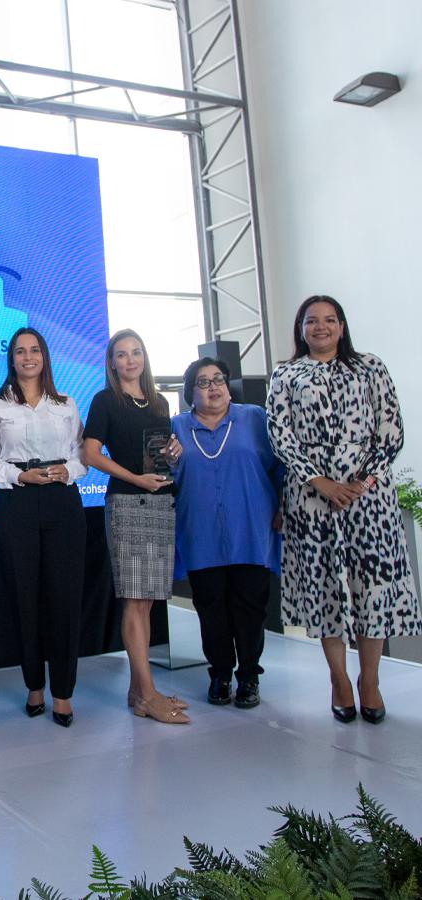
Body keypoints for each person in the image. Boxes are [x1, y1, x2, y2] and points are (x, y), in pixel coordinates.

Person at [266, 295, 421, 724]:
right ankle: (339, 679)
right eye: (312, 320)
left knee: (372, 588)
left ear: (342, 325)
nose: (321, 327)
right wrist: (322, 483)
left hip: (368, 496)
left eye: (329, 320)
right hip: (311, 497)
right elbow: (280, 435)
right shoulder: (286, 373)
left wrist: (359, 484)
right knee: (325, 589)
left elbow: (391, 432)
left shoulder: (370, 366)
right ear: (300, 328)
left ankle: (370, 679)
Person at [0, 327, 87, 727]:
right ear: (11, 359)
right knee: (25, 598)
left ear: (44, 356)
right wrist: (20, 477)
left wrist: (67, 471)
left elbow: (82, 455)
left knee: (64, 599)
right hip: (17, 500)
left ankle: (62, 693)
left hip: (62, 501)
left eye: (35, 350)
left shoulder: (66, 403)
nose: (28, 357)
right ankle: (34, 687)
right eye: (20, 351)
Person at [83, 328, 189, 724]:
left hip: (161, 502)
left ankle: (138, 688)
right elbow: (90, 454)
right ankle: (147, 695)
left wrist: (174, 455)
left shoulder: (160, 403)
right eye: (122, 354)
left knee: (147, 601)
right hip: (127, 502)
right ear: (111, 362)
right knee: (134, 600)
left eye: (136, 353)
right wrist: (134, 478)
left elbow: (163, 459)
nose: (130, 360)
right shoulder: (105, 400)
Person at [170, 356, 281, 710]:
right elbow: (160, 477)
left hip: (250, 528)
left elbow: (280, 466)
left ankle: (249, 676)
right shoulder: (175, 428)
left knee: (250, 606)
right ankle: (219, 673)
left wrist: (282, 506)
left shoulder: (254, 418)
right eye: (203, 382)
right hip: (200, 531)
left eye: (218, 379)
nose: (213, 387)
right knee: (212, 608)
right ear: (190, 393)